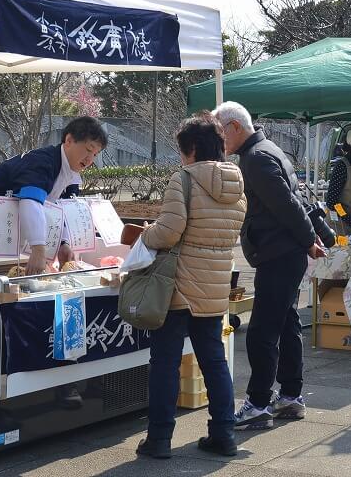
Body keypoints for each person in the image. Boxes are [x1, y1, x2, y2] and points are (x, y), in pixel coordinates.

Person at [136, 112, 246, 460]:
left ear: (193, 148)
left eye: (183, 149)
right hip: (214, 284)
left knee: (165, 361)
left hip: (180, 285)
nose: (182, 156)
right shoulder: (236, 183)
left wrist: (145, 234)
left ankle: (159, 439)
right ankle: (224, 434)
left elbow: (169, 230)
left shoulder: (183, 179)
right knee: (213, 360)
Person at [213, 102, 326, 430]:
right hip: (285, 252)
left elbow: (288, 205)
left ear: (235, 127)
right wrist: (307, 240)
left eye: (221, 134)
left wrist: (309, 240)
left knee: (261, 331)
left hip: (279, 253)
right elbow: (293, 201)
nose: (221, 142)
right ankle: (290, 395)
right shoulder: (268, 150)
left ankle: (259, 402)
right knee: (287, 322)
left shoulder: (256, 159)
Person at [0, 116, 107, 274]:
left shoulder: (70, 175)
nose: (90, 160)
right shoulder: (41, 162)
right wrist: (38, 249)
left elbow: (59, 212)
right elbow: (30, 202)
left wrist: (63, 243)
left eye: (95, 154)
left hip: (1, 239)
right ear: (69, 140)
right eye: (88, 149)